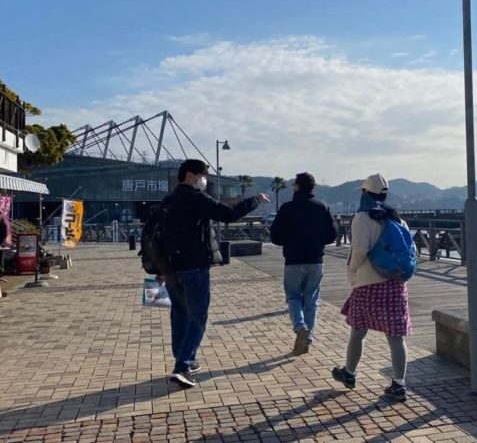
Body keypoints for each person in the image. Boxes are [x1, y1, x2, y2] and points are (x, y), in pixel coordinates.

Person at [160, 159, 270, 388]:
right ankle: (182, 366)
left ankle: (185, 359)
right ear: (190, 175)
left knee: (179, 314)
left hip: (170, 269)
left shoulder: (168, 200)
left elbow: (159, 235)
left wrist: (159, 268)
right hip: (193, 266)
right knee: (198, 316)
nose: (204, 180)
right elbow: (228, 213)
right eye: (203, 175)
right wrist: (255, 200)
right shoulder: (196, 198)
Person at [332, 174, 411, 402]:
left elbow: (360, 250)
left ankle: (349, 373)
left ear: (366, 193)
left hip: (368, 284)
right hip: (395, 284)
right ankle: (399, 384)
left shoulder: (362, 218)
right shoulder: (397, 219)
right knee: (395, 337)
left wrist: (352, 268)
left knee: (358, 331)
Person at [268, 172, 338, 356]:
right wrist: (317, 241)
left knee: (293, 296)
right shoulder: (322, 207)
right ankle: (306, 339)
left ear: (297, 186)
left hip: (293, 260)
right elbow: (332, 235)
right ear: (313, 187)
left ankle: (300, 327)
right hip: (315, 260)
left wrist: (288, 240)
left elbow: (275, 237)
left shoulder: (287, 208)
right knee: (311, 301)